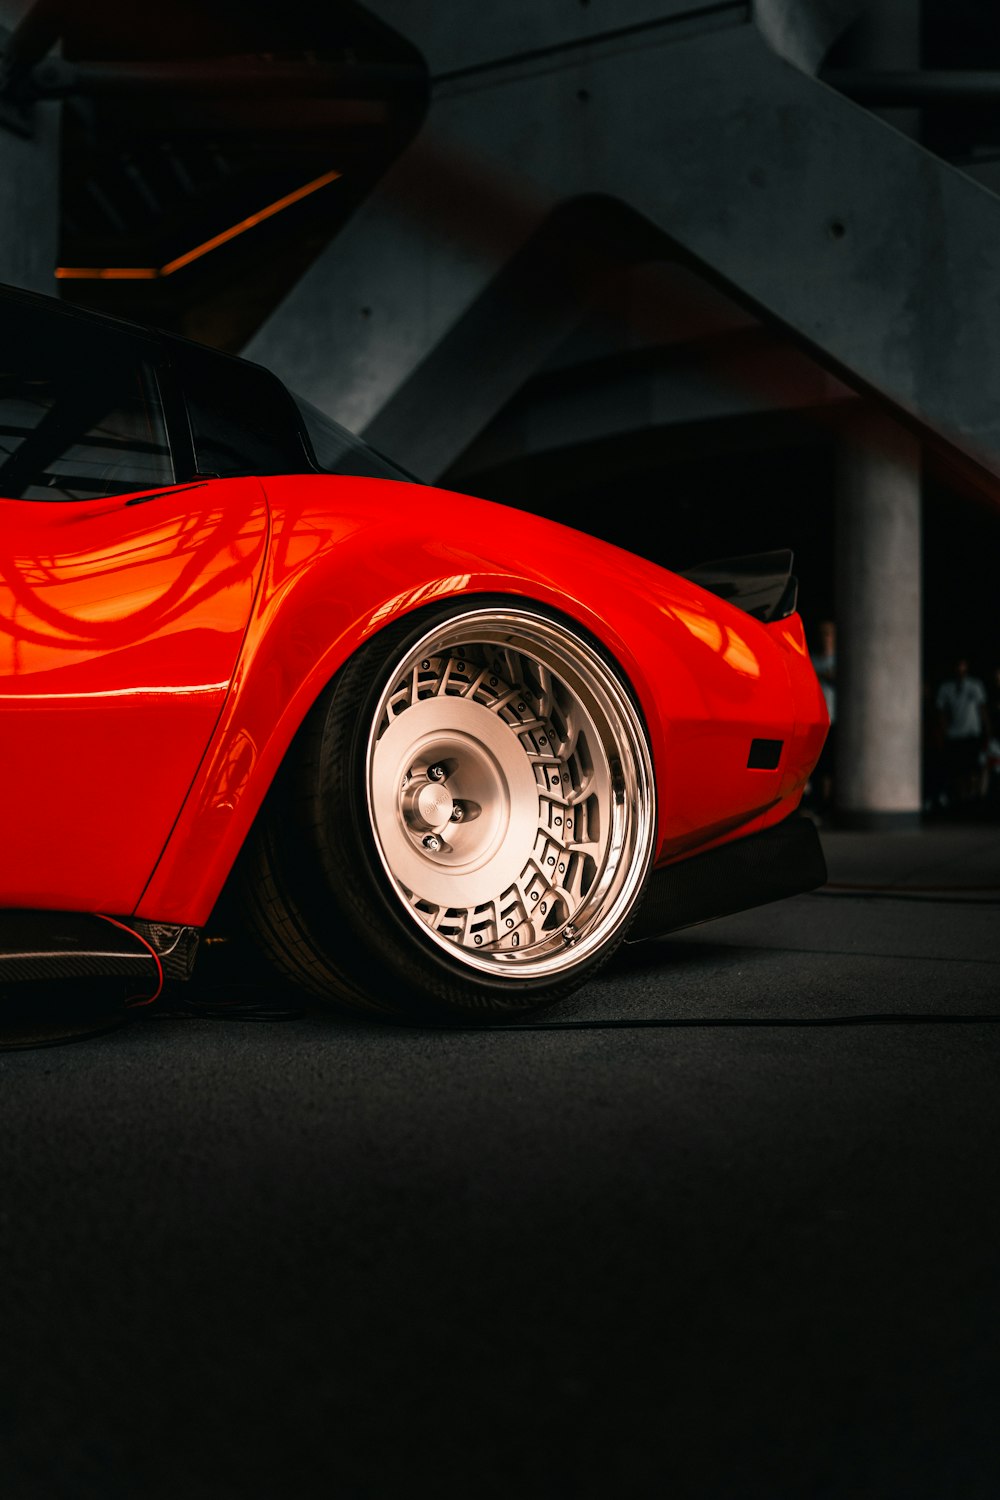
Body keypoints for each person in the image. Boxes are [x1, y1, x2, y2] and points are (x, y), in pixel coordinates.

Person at [935, 657, 991, 811]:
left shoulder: (975, 685)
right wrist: (943, 731)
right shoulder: (946, 688)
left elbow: (982, 708)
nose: (960, 670)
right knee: (957, 769)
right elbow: (941, 712)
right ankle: (961, 798)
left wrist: (987, 729)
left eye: (963, 666)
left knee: (972, 767)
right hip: (954, 734)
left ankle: (972, 797)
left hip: (971, 732)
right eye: (958, 666)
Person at [808, 619, 837, 816]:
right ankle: (818, 804)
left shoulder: (839, 660)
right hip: (817, 720)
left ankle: (828, 806)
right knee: (817, 764)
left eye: (827, 633)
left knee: (831, 764)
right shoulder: (813, 659)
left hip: (835, 720)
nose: (824, 638)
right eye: (821, 633)